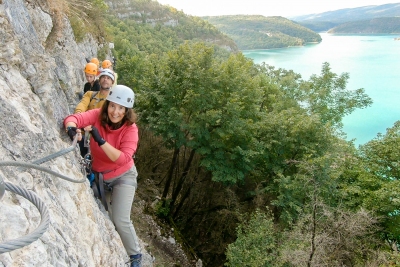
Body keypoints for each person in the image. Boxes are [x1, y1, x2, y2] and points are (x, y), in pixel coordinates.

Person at [64, 85, 142, 267]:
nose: (116, 112)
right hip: (100, 176)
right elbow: (74, 118)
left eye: (121, 108)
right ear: (107, 104)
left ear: (127, 111)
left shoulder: (131, 129)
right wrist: (71, 128)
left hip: (124, 176)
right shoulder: (98, 115)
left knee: (120, 219)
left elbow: (122, 158)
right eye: (113, 106)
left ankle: (135, 256)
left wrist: (100, 140)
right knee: (105, 216)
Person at [75, 68, 115, 157]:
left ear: (112, 82)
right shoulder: (90, 94)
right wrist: (78, 116)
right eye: (103, 77)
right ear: (99, 80)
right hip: (85, 133)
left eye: (108, 78)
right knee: (83, 155)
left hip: (101, 136)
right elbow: (82, 105)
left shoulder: (113, 101)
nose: (105, 79)